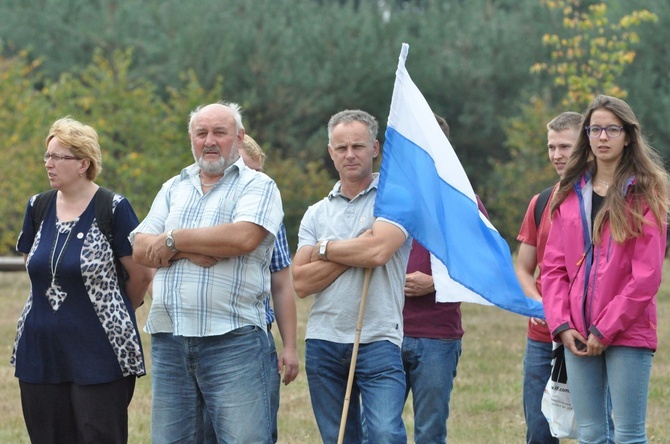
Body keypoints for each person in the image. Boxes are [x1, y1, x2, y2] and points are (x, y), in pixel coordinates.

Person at [130, 102, 284, 443]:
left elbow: (243, 237)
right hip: (171, 340)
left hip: (234, 341)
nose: (209, 140)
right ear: (191, 139)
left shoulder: (257, 185)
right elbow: (140, 248)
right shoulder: (174, 186)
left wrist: (173, 240)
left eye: (220, 132)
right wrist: (186, 248)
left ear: (239, 137)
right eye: (202, 133)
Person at [12, 116, 152, 443]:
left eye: (57, 157)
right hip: (40, 350)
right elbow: (35, 270)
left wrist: (107, 309)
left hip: (100, 349)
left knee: (99, 435)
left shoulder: (113, 207)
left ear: (83, 163)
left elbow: (141, 275)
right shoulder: (38, 206)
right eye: (47, 156)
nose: (48, 164)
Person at [542, 95, 669, 443]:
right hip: (578, 333)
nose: (602, 137)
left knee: (628, 435)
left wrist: (606, 328)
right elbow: (552, 269)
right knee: (590, 436)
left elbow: (646, 276)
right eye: (595, 128)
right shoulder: (569, 191)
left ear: (628, 135)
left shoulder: (647, 192)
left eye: (612, 129)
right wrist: (562, 324)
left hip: (627, 331)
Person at [292, 109, 412, 444]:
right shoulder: (316, 213)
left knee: (386, 434)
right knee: (339, 438)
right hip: (324, 339)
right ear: (330, 152)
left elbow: (378, 253)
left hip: (378, 337)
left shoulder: (394, 201)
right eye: (341, 148)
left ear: (374, 148)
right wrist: (357, 245)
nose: (350, 154)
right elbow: (300, 282)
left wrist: (325, 249)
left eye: (358, 146)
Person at [401, 113, 489, 444]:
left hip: (437, 335)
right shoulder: (384, 197)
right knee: (379, 429)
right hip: (383, 332)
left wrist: (435, 282)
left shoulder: (462, 202)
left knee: (430, 429)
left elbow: (480, 266)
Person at [515, 111, 582, 444]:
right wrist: (538, 304)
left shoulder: (605, 199)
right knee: (539, 432)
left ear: (584, 145)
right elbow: (524, 267)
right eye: (551, 147)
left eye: (565, 146)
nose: (557, 155)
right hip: (542, 336)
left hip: (592, 334)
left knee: (598, 431)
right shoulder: (540, 202)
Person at [239, 134, 299, 442]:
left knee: (258, 430)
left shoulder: (269, 217)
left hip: (255, 335)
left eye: (260, 173)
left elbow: (281, 282)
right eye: (248, 171)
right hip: (201, 337)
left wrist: (289, 346)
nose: (256, 181)